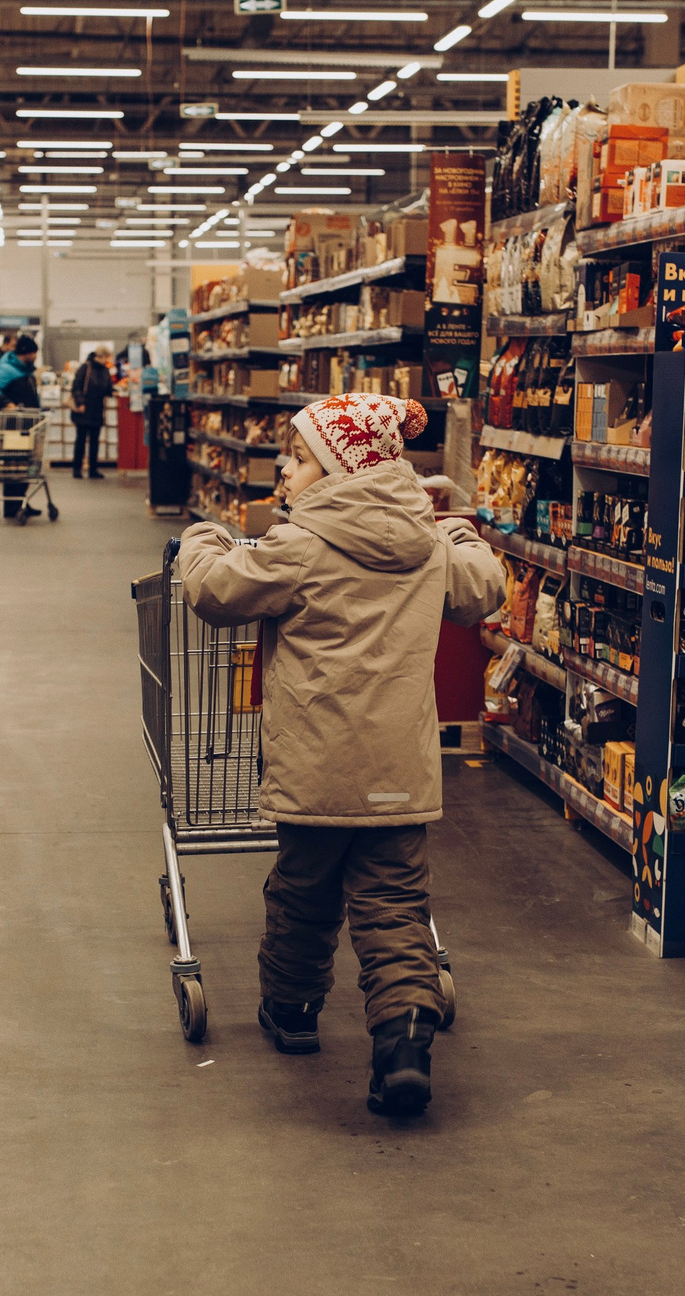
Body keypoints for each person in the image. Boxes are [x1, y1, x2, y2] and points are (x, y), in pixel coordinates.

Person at [177, 394, 503, 1117]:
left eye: (297, 459)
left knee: (303, 897)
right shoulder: (427, 545)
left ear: (338, 467)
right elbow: (483, 588)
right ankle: (406, 1039)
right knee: (394, 905)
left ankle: (291, 1012)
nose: (285, 472)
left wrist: (203, 539)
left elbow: (214, 590)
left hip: (315, 772)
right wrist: (462, 532)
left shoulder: (300, 546)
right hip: (399, 775)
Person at [0, 334, 42, 518]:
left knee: (24, 465)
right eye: (34, 353)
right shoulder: (8, 369)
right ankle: (12, 507)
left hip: (28, 425)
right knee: (14, 465)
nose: (35, 356)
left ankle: (20, 503)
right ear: (26, 353)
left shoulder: (25, 370)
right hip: (13, 426)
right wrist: (7, 404)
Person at [69, 345, 114, 479]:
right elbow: (76, 387)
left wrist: (112, 392)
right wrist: (81, 403)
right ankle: (77, 469)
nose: (106, 360)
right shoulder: (85, 367)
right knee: (81, 440)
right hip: (84, 410)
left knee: (94, 441)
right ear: (99, 356)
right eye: (105, 357)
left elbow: (107, 387)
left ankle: (93, 469)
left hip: (97, 410)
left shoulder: (105, 370)